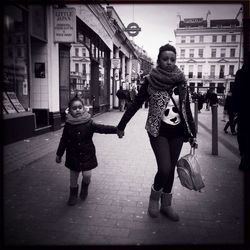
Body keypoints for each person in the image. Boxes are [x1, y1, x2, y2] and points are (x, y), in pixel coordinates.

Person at [117, 44, 197, 221]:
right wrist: (121, 125)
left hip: (177, 132)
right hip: (157, 130)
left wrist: (193, 134)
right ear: (159, 60)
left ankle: (166, 204)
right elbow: (136, 103)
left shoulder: (181, 81)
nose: (169, 62)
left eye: (172, 59)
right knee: (165, 168)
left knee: (171, 168)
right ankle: (154, 198)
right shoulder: (150, 80)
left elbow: (186, 109)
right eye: (165, 59)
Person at [56, 96, 118, 206]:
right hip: (73, 155)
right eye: (74, 108)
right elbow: (64, 140)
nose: (78, 110)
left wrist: (116, 130)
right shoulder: (68, 125)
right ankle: (73, 195)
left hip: (87, 155)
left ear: (84, 109)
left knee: (87, 175)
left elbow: (102, 128)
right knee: (73, 178)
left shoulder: (89, 123)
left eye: (80, 107)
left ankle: (85, 187)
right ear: (69, 110)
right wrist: (59, 154)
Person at [232, 52, 250, 171]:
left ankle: (244, 156)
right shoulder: (241, 73)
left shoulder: (241, 73)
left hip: (244, 109)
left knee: (242, 132)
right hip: (244, 109)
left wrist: (234, 109)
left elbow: (236, 91)